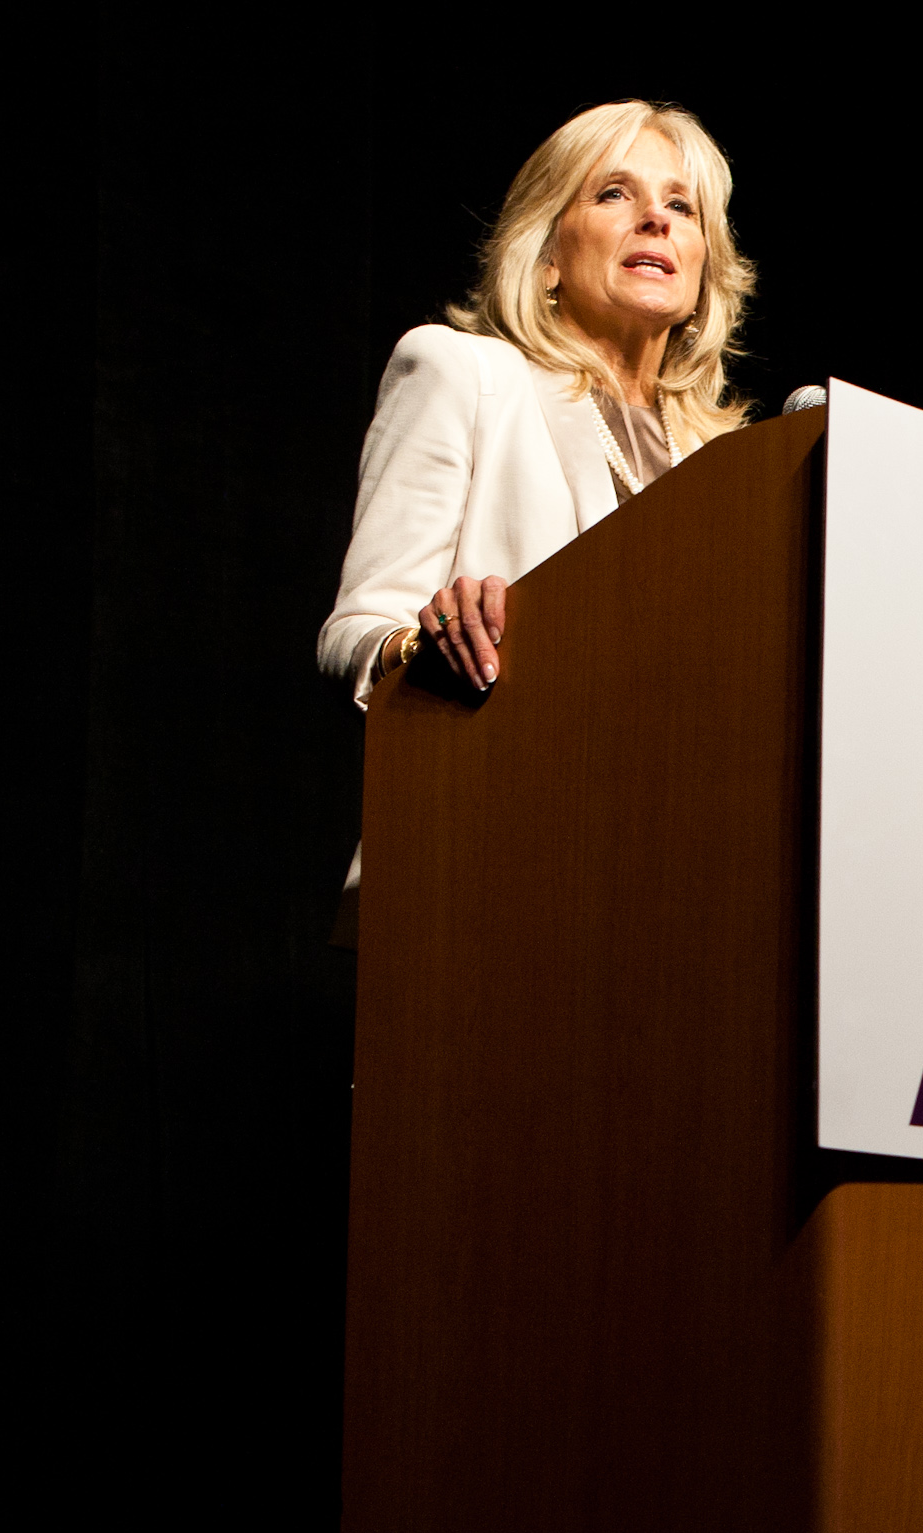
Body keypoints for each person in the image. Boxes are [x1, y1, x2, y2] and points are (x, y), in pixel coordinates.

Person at [317, 99, 756, 936]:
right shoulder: (463, 375)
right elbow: (355, 629)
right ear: (548, 254)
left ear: (705, 267)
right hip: (488, 867)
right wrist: (424, 644)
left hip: (684, 884)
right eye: (614, 195)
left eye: (680, 205)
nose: (654, 218)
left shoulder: (731, 464)